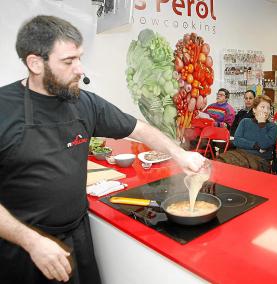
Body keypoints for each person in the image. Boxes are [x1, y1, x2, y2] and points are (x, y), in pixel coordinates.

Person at [0, 15, 206, 283]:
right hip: (23, 248)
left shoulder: (84, 103)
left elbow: (138, 128)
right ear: (35, 63)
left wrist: (180, 155)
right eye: (68, 61)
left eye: (79, 58)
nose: (80, 69)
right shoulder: (4, 110)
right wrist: (32, 242)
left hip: (77, 235)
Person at [219, 95, 277, 172]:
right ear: (254, 110)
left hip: (260, 161)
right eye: (262, 107)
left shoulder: (272, 127)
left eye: (268, 108)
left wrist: (261, 124)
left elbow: (264, 144)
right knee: (221, 163)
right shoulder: (245, 122)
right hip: (240, 155)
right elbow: (237, 141)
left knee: (234, 168)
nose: (266, 111)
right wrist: (256, 145)